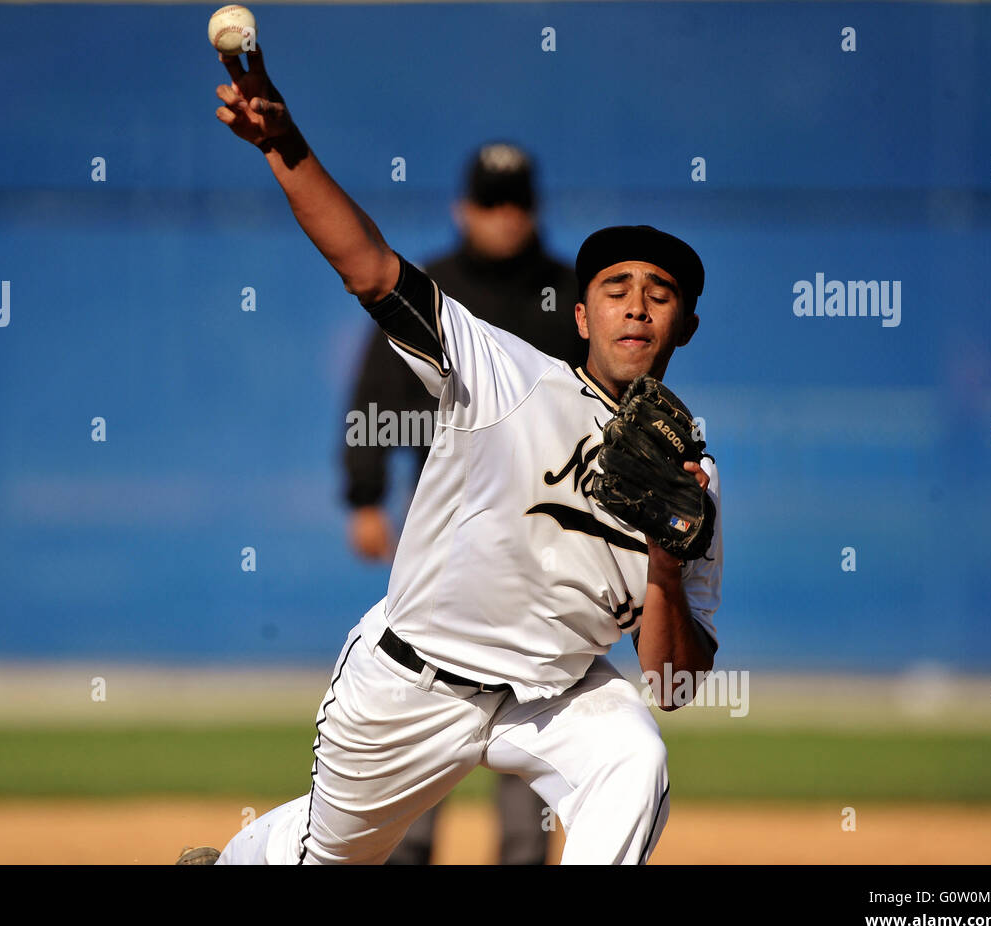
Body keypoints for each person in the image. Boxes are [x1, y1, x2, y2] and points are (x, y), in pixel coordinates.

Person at [207, 45, 722, 866]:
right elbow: (368, 267)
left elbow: (672, 685)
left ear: (684, 325)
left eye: (659, 294)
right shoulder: (506, 374)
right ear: (581, 317)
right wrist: (283, 143)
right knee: (322, 858)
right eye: (615, 288)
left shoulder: (693, 481)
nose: (636, 306)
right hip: (415, 685)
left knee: (635, 755)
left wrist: (665, 567)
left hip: (550, 698)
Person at [343, 142, 584, 865]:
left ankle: (522, 851)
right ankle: (408, 848)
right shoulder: (433, 288)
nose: (504, 218)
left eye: (516, 203)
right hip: (443, 529)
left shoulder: (570, 293)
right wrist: (365, 496)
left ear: (534, 210)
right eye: (490, 202)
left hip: (544, 537)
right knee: (426, 686)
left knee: (534, 692)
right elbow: (374, 396)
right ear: (462, 208)